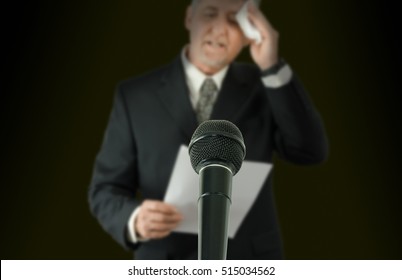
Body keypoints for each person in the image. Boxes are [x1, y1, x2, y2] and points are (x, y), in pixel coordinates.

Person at [88, 0, 328, 260]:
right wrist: (135, 220)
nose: (219, 28)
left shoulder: (267, 88)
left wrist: (271, 66)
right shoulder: (134, 96)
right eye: (210, 14)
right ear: (189, 18)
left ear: (250, 32)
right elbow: (105, 189)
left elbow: (310, 150)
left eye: (235, 20)